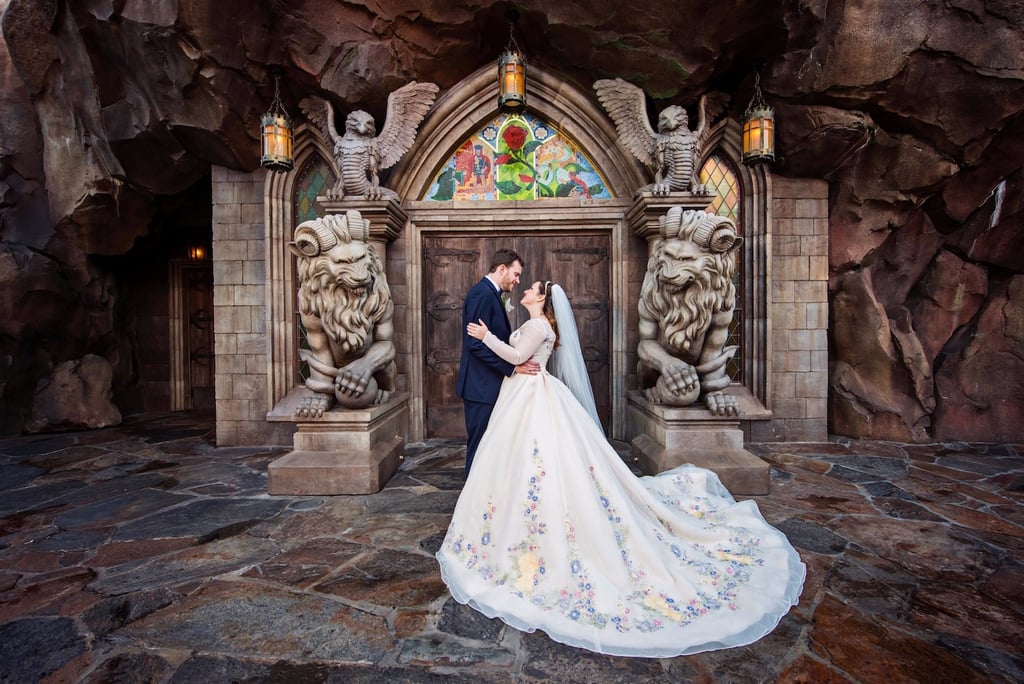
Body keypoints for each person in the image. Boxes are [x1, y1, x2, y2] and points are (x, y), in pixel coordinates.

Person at [437, 280, 806, 658]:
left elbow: (516, 360)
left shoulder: (537, 326)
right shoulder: (534, 325)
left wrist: (484, 337)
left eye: (532, 288)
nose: (526, 290)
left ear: (542, 299)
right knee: (525, 465)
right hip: (525, 397)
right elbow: (519, 360)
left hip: (532, 400)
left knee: (542, 464)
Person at [456, 248, 539, 476]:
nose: (518, 280)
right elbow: (475, 344)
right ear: (502, 269)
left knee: (489, 447)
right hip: (480, 387)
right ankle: (471, 504)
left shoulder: (490, 294)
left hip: (488, 385)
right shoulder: (481, 294)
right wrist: (512, 367)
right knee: (480, 446)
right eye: (516, 274)